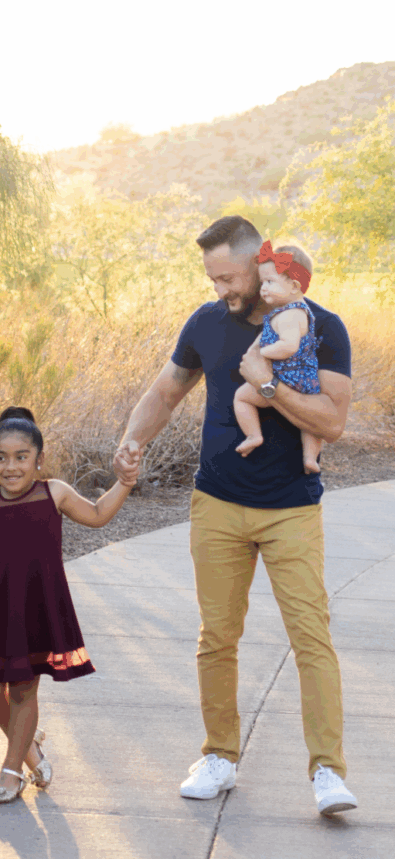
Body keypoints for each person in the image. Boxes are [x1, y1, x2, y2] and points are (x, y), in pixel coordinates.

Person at [113, 216, 358, 816]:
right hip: (217, 504)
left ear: (259, 265)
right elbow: (167, 389)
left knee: (311, 639)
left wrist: (268, 387)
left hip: (291, 512)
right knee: (217, 638)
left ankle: (327, 772)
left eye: (227, 276)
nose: (220, 287)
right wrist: (131, 439)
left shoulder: (322, 328)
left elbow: (331, 422)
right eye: (212, 277)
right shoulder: (206, 323)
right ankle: (219, 755)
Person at [0, 406, 139, 804]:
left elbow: (98, 515)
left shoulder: (55, 493)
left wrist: (125, 483)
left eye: (21, 457)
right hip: (1, 608)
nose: (10, 467)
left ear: (39, 460)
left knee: (24, 689)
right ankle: (29, 748)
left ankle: (11, 773)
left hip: (40, 607)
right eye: (1, 458)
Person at [234, 241, 322, 474]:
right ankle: (310, 457)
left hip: (287, 378)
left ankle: (254, 435)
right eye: (263, 282)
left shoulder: (289, 315)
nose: (263, 288)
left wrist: (263, 353)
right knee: (309, 423)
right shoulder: (297, 310)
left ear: (294, 285)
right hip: (305, 380)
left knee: (242, 397)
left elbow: (289, 346)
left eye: (270, 282)